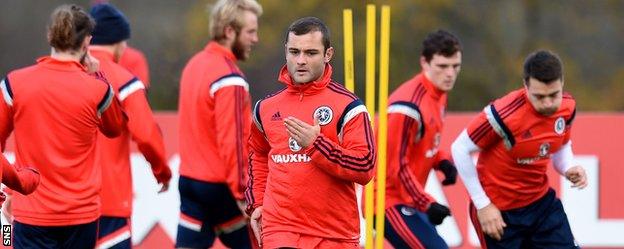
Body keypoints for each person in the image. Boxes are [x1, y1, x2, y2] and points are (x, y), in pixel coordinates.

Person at [0, 4, 126, 248]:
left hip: (32, 212)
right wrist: (97, 75)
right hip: (81, 215)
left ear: (50, 36)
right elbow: (115, 128)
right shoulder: (98, 89)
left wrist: (13, 186)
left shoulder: (15, 83)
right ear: (87, 42)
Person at [245, 17, 376, 249]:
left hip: (334, 234)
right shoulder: (265, 108)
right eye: (294, 52)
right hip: (281, 229)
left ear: (328, 54)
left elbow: (365, 167)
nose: (301, 61)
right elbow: (258, 154)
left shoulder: (349, 106)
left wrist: (316, 145)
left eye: (311, 53)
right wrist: (257, 203)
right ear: (285, 51)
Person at [451, 50, 586, 249]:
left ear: (562, 83)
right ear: (525, 86)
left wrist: (569, 166)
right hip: (501, 213)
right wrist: (483, 205)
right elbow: (459, 148)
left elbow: (561, 145)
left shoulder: (567, 107)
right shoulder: (502, 115)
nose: (548, 103)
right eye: (539, 96)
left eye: (554, 95)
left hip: (541, 206)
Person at [176, 0, 262, 248]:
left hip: (190, 183)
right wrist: (244, 193)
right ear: (229, 32)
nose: (255, 39)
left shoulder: (194, 65)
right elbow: (233, 142)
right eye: (251, 32)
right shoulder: (230, 79)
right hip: (221, 188)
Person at [88, 3, 172, 249]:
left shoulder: (53, 77)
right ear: (119, 41)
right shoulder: (123, 79)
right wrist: (162, 172)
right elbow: (146, 134)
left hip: (57, 204)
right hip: (108, 200)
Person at [379, 29, 461, 249]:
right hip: (388, 201)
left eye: (455, 66)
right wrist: (427, 203)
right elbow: (396, 167)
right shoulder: (407, 108)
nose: (450, 74)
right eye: (442, 66)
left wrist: (441, 160)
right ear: (425, 63)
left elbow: (425, 141)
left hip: (409, 198)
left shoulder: (439, 93)